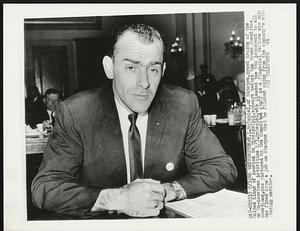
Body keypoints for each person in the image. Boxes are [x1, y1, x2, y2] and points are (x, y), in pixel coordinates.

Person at [31, 24, 237, 218]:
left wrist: (169, 190)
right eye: (131, 68)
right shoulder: (76, 112)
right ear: (109, 67)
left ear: (163, 70)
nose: (144, 83)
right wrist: (117, 199)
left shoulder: (182, 104)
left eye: (153, 69)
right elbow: (45, 187)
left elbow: (221, 167)